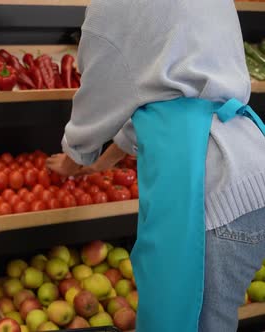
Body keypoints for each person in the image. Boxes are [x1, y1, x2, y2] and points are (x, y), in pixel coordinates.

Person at [46, 0, 265, 331]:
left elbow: (100, 93)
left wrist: (74, 156)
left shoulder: (110, 8)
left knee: (194, 322)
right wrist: (104, 160)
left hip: (210, 194)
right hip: (249, 167)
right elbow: (165, 88)